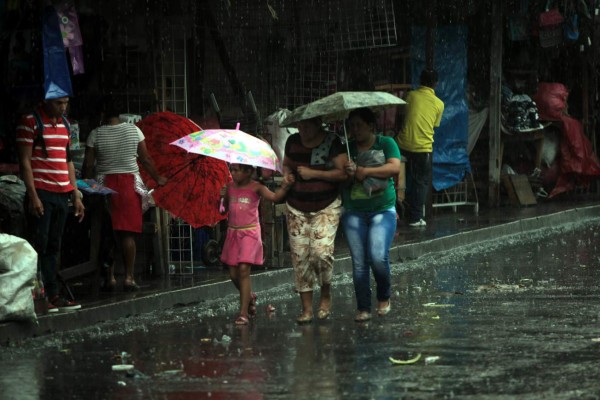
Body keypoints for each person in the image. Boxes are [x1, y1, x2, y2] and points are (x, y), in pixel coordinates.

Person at [84, 107, 167, 291]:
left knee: (108, 233)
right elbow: (145, 159)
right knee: (127, 234)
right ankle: (129, 277)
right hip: (129, 185)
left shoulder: (95, 134)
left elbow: (89, 165)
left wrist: (87, 188)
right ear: (121, 115)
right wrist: (158, 178)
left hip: (104, 186)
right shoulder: (134, 130)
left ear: (101, 115)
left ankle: (110, 277)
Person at [16, 95, 85, 313]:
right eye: (59, 103)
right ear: (46, 101)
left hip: (61, 192)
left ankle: (53, 294)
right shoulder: (30, 122)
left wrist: (75, 194)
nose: (63, 107)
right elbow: (25, 160)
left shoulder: (65, 124)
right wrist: (33, 195)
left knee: (54, 246)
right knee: (39, 244)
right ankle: (39, 294)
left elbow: (68, 161)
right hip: (42, 191)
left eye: (66, 103)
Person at [282, 117, 348, 323]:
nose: (302, 129)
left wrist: (314, 173)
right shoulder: (292, 142)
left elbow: (342, 173)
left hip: (326, 206)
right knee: (300, 258)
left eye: (307, 125)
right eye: (299, 125)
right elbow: (287, 165)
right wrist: (287, 176)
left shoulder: (332, 142)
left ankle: (326, 290)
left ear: (318, 124)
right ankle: (307, 309)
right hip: (296, 207)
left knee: (321, 253)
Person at [342, 108, 401, 322]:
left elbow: (394, 168)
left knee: (377, 256)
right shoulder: (347, 149)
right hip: (354, 211)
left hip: (383, 209)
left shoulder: (386, 143)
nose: (354, 130)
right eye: (352, 126)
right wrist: (348, 174)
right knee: (359, 262)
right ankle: (363, 307)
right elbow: (343, 182)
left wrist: (364, 171)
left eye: (358, 125)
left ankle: (384, 296)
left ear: (370, 126)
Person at [219, 163, 295, 325]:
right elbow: (223, 211)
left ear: (248, 171)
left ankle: (243, 312)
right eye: (232, 169)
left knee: (244, 270)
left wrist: (285, 185)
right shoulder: (230, 187)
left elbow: (274, 197)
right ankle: (249, 297)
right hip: (233, 233)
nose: (233, 173)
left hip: (250, 233)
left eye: (236, 170)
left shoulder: (257, 188)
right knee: (233, 274)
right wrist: (222, 197)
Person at [395, 69, 444, 227]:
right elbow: (434, 126)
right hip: (422, 148)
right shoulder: (439, 104)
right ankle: (415, 218)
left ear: (420, 81)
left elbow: (401, 116)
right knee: (420, 182)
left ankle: (396, 210)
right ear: (436, 84)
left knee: (400, 179)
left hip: (402, 144)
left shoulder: (410, 96)